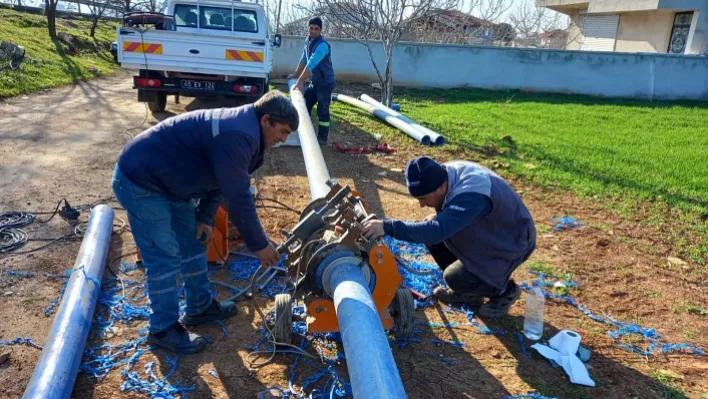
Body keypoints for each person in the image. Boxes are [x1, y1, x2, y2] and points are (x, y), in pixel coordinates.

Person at [111, 90, 299, 354]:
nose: (283, 139)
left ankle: (199, 307)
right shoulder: (239, 135)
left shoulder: (248, 134)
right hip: (142, 180)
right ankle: (163, 329)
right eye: (283, 131)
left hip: (172, 183)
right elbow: (238, 197)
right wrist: (259, 245)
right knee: (164, 255)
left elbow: (222, 181)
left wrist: (205, 217)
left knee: (195, 241)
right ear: (266, 120)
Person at [362, 157, 537, 318]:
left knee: (453, 276)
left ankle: (504, 292)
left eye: (423, 198)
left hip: (512, 240)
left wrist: (388, 227)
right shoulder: (444, 174)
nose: (422, 205)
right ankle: (469, 292)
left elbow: (438, 230)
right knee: (430, 229)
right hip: (489, 230)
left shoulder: (471, 195)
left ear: (441, 187)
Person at [287, 16, 336, 146]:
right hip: (316, 82)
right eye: (311, 28)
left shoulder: (322, 45)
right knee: (305, 104)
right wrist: (295, 75)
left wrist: (301, 81)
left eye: (316, 29)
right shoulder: (308, 41)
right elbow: (304, 58)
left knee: (322, 110)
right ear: (308, 28)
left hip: (325, 83)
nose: (313, 31)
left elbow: (311, 63)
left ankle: (322, 138)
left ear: (320, 30)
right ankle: (304, 133)